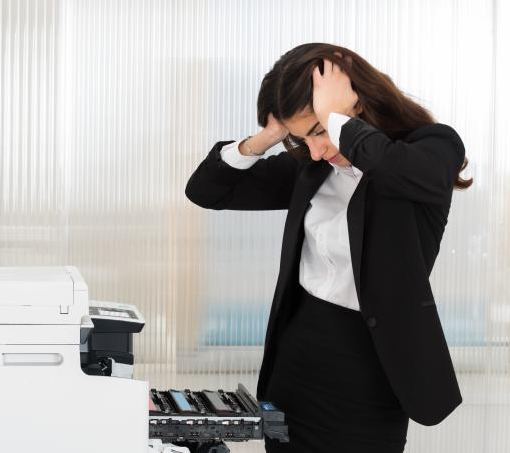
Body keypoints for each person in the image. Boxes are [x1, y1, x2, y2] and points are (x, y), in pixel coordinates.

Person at [184, 43, 473, 453]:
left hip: (370, 369)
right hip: (297, 357)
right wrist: (267, 137)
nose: (317, 149)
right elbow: (207, 192)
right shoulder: (314, 168)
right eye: (304, 139)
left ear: (355, 98)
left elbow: (408, 173)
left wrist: (336, 120)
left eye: (319, 132)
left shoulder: (430, 147)